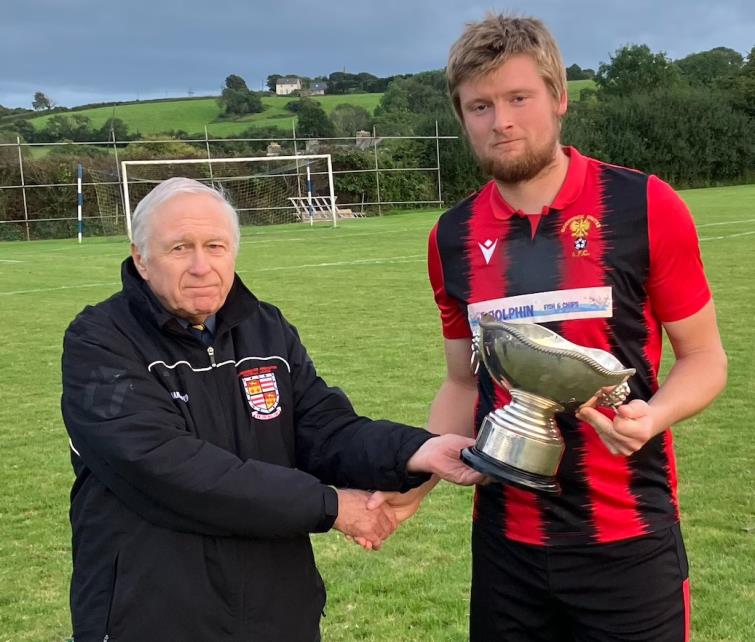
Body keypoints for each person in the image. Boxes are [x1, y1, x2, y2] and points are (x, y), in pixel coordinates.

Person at [368, 13, 728, 641]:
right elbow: (460, 384)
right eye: (479, 105)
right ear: (462, 118)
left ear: (559, 99)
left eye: (517, 98)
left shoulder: (645, 206)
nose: (500, 120)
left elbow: (704, 359)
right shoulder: (451, 237)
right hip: (508, 547)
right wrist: (414, 486)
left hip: (628, 539)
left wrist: (656, 414)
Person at [60, 177, 482, 642]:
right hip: (155, 615)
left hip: (276, 611)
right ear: (141, 258)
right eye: (180, 248)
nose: (202, 266)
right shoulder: (100, 341)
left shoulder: (265, 329)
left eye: (215, 245)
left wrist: (417, 451)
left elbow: (323, 428)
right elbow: (167, 467)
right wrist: (331, 505)